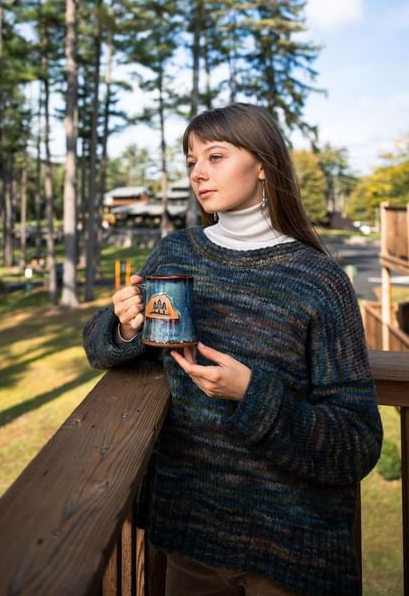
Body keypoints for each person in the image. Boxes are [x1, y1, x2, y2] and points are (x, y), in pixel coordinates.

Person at [83, 103, 382, 596]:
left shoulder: (319, 280)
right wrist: (124, 324)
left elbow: (357, 442)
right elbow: (98, 347)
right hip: (193, 538)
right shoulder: (177, 253)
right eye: (191, 161)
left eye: (215, 156)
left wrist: (250, 393)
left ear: (263, 164)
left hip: (292, 547)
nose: (198, 172)